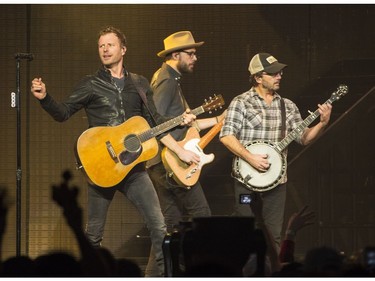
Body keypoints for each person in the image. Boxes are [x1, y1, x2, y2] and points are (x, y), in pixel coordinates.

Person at [30, 26, 196, 277]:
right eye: (101, 46)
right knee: (94, 233)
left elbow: (155, 121)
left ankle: (166, 277)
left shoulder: (139, 83)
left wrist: (178, 121)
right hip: (102, 166)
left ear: (123, 49)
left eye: (110, 45)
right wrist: (45, 98)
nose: (105, 49)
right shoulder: (91, 84)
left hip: (134, 169)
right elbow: (63, 113)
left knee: (158, 225)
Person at [220, 52, 332, 253]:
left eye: (280, 72)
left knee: (273, 235)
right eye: (273, 73)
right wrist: (250, 157)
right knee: (245, 233)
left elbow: (304, 138)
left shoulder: (287, 106)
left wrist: (322, 124)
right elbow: (227, 136)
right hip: (246, 182)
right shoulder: (241, 102)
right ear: (258, 77)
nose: (279, 76)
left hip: (276, 184)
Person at [147, 31, 226, 233]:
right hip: (171, 161)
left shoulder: (168, 78)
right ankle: (196, 263)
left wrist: (218, 119)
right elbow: (155, 124)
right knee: (202, 215)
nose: (195, 58)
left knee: (171, 222)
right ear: (176, 55)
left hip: (161, 162)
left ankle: (164, 265)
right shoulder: (168, 81)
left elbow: (190, 127)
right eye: (190, 54)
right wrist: (181, 152)